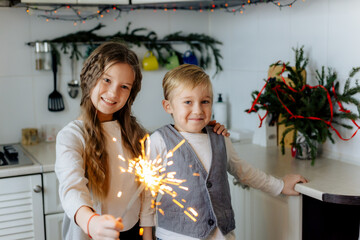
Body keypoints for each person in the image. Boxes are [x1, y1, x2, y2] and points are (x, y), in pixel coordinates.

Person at [55, 42, 228, 240]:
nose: (113, 93)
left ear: (131, 93)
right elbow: (71, 189)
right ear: (90, 77)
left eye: (124, 86)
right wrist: (90, 221)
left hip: (134, 233)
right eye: (106, 80)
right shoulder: (71, 136)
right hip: (91, 233)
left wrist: (204, 130)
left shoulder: (137, 135)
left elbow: (157, 169)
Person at [149, 64, 308, 240]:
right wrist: (147, 234)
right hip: (175, 235)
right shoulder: (159, 141)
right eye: (188, 102)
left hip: (222, 235)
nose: (198, 110)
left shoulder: (220, 137)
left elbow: (244, 172)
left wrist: (279, 185)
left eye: (205, 101)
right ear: (168, 106)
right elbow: (146, 193)